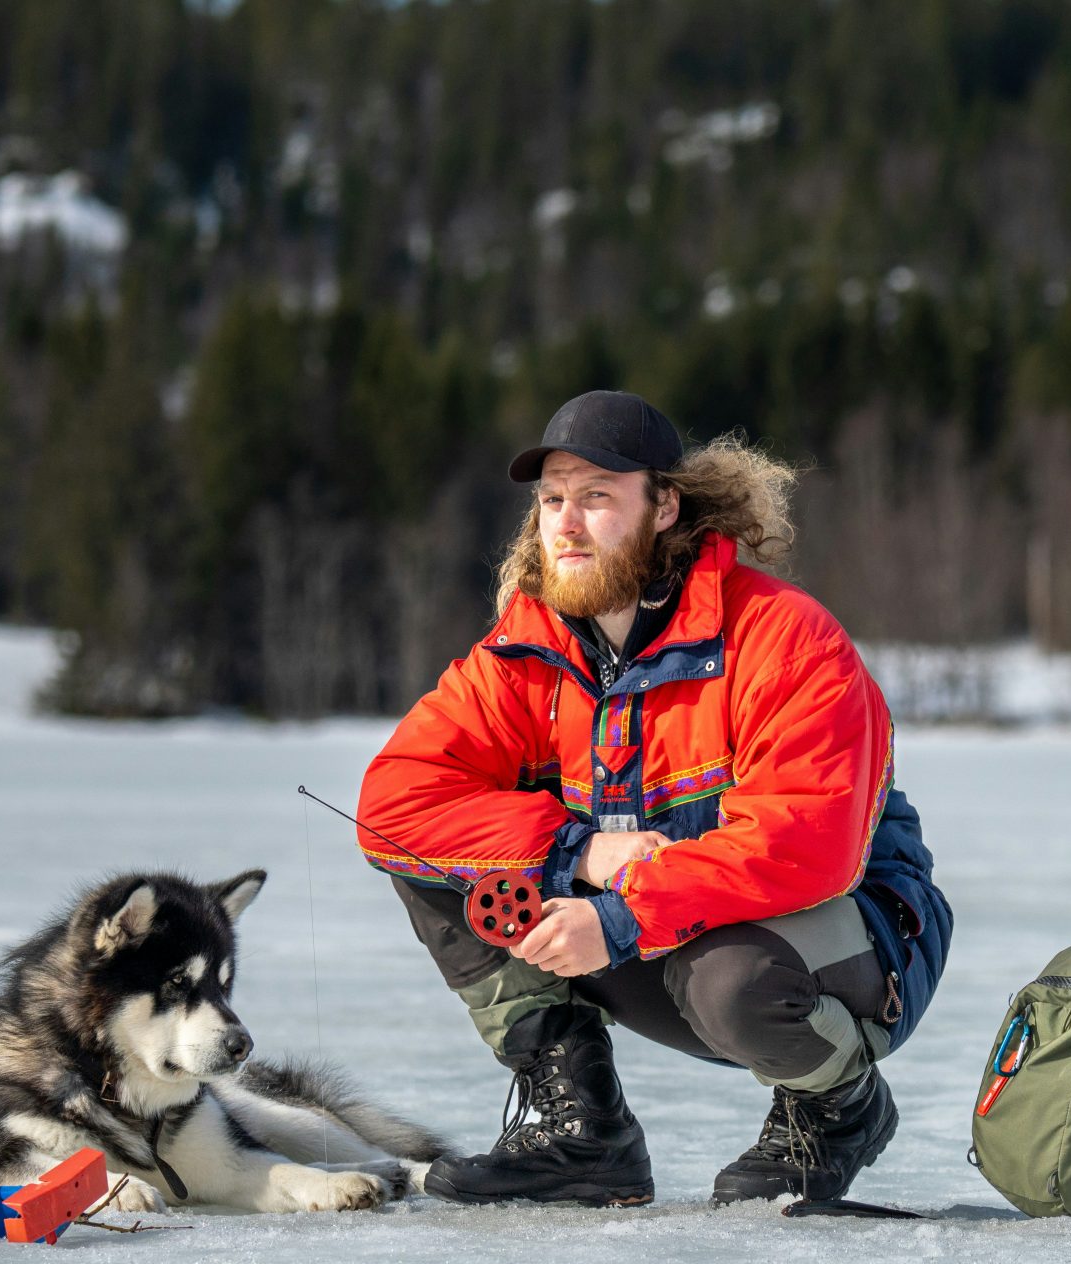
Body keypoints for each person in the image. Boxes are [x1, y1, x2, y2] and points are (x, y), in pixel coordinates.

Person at [355, 390, 951, 1207]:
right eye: (553, 499)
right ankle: (582, 1130)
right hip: (658, 931)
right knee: (440, 858)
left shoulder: (782, 638)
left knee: (731, 978)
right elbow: (395, 799)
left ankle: (837, 1106)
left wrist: (622, 918)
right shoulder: (529, 649)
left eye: (598, 497)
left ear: (665, 507)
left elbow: (807, 843)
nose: (564, 523)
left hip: (851, 942)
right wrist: (577, 852)